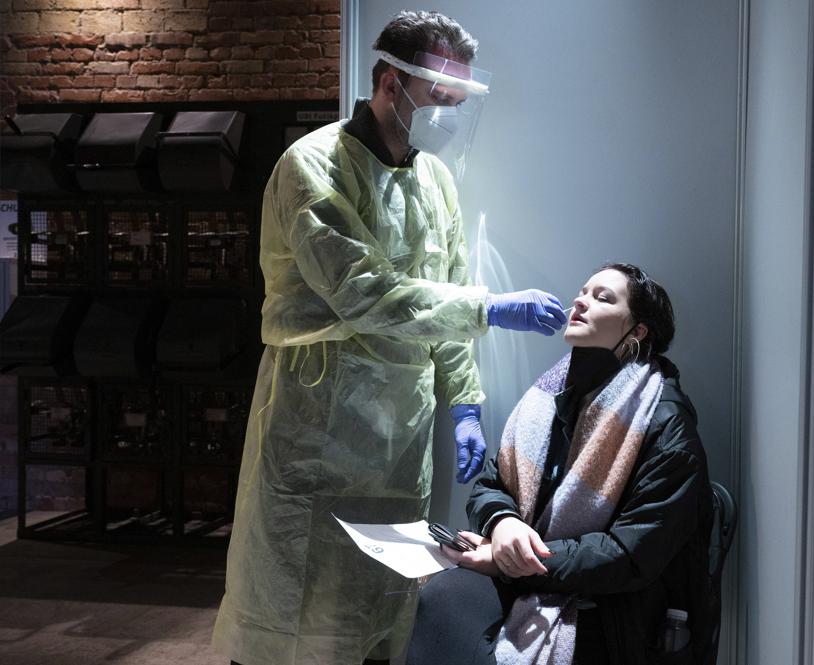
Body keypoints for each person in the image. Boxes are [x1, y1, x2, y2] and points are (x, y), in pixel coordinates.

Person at [212, 11, 567, 665]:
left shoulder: (434, 180)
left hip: (399, 440)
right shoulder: (312, 167)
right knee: (297, 617)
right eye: (440, 96)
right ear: (388, 82)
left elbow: (447, 295)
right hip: (317, 427)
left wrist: (463, 401)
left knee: (382, 613)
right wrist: (492, 308)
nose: (450, 113)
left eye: (459, 100)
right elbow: (363, 291)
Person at [408, 263, 716, 665]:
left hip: (613, 609)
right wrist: (504, 522)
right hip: (535, 573)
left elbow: (628, 556)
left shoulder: (666, 426)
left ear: (637, 332)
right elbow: (491, 482)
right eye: (583, 292)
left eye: (602, 298)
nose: (581, 301)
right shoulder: (552, 395)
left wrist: (511, 563)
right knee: (441, 597)